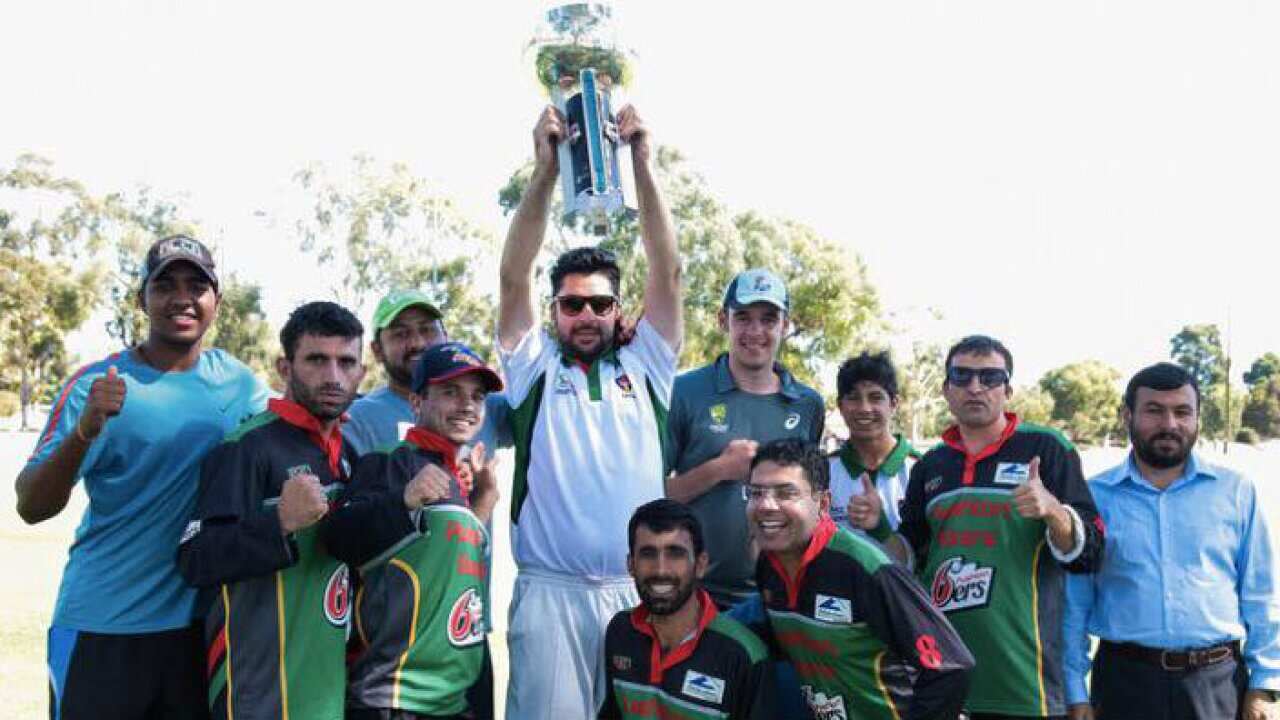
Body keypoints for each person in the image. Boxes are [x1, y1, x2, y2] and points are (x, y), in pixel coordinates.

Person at [16, 234, 268, 720]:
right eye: (165, 284)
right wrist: (85, 432)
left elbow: (298, 427)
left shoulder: (238, 384)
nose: (182, 297)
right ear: (141, 299)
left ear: (216, 301)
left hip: (196, 633)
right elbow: (32, 505)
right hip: (102, 627)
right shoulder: (97, 384)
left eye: (197, 285)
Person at [497, 103, 682, 719]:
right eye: (571, 305)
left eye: (600, 304)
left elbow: (669, 270)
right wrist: (545, 172)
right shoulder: (533, 370)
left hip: (640, 596)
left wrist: (643, 166)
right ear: (555, 311)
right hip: (551, 596)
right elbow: (511, 275)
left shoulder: (647, 366)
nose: (586, 316)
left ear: (616, 308)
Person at [894, 335, 1105, 719]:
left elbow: (1090, 551)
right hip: (945, 673)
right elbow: (911, 554)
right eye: (962, 376)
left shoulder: (1047, 448)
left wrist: (1054, 511)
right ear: (945, 389)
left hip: (1026, 683)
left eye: (990, 377)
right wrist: (874, 527)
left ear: (1007, 390)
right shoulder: (931, 465)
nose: (975, 387)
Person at [176, 301, 364, 720]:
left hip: (325, 690)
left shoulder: (347, 451)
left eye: (346, 362)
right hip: (259, 692)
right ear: (285, 367)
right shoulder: (247, 448)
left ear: (361, 373)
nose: (333, 376)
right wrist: (279, 521)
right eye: (316, 360)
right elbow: (196, 558)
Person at [1064, 363, 1280, 720]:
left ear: (1197, 419)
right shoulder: (1093, 496)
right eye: (1154, 411)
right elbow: (1074, 601)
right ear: (1127, 415)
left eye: (1182, 412)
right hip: (1123, 685)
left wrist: (1265, 685)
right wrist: (1074, 690)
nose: (1169, 424)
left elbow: (1260, 592)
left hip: (1217, 685)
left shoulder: (1235, 491)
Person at [342, 288, 510, 719]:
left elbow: (448, 566)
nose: (467, 406)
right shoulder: (388, 463)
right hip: (398, 695)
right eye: (451, 392)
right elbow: (339, 538)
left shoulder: (463, 472)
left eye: (476, 396)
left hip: (458, 685)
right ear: (416, 401)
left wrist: (484, 503)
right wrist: (403, 499)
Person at [750, 439, 974, 719]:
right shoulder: (768, 565)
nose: (766, 505)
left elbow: (951, 667)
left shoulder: (866, 568)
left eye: (786, 493)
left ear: (823, 503)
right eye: (756, 492)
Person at [665, 267, 824, 609]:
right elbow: (651, 496)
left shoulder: (808, 404)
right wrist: (719, 470)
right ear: (723, 320)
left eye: (768, 319)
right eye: (743, 317)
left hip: (782, 595)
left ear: (785, 324)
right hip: (696, 595)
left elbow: (811, 503)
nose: (755, 331)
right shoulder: (683, 392)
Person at [600, 498, 775, 719]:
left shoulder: (743, 655)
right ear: (631, 565)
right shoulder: (621, 631)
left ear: (700, 565)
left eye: (675, 553)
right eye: (648, 554)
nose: (661, 569)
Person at [343, 288, 510, 458]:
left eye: (427, 330)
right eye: (401, 334)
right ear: (377, 350)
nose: (417, 343)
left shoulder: (491, 407)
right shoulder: (355, 419)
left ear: (445, 337)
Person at [829, 351, 921, 544]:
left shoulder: (920, 469)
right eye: (853, 398)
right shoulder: (824, 471)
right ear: (840, 406)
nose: (864, 408)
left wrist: (880, 526)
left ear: (894, 403)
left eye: (875, 397)